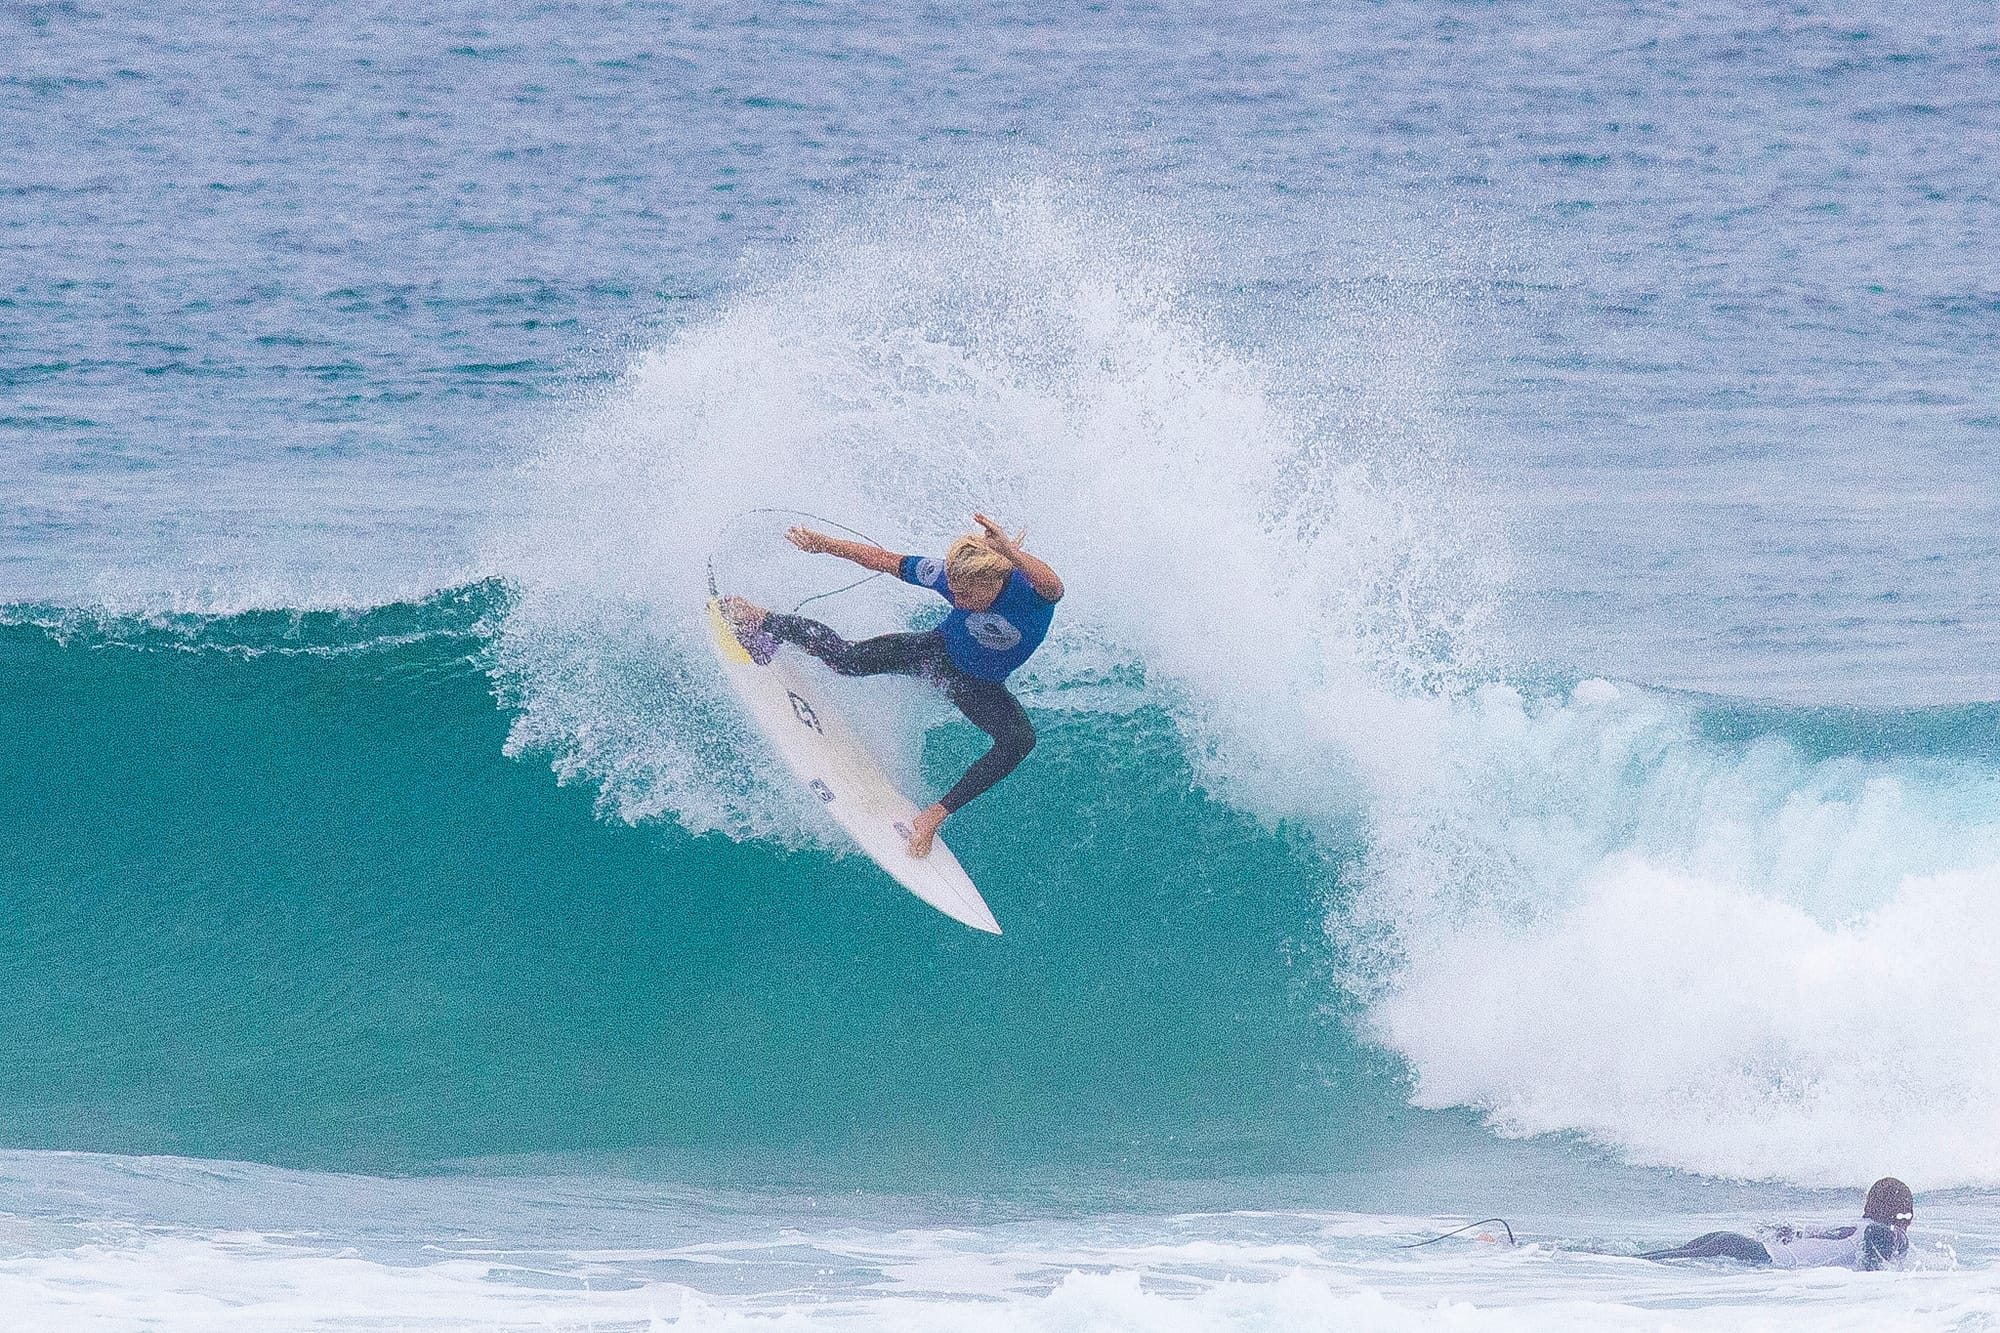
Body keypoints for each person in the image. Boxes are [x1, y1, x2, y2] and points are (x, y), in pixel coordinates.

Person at [719, 512, 1063, 858]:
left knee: (1019, 741)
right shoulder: (950, 575)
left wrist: (1010, 551)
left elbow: (1055, 585)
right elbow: (884, 560)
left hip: (977, 685)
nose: (956, 600)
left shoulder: (1032, 595)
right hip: (936, 653)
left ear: (992, 582)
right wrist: (823, 544)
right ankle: (760, 619)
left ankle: (933, 816)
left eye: (966, 594)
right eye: (953, 591)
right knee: (847, 660)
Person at [1639, 1177, 1914, 1271]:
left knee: (1642, 1261)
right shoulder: (1883, 1232)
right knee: (1648, 1262)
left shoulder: (1853, 1226)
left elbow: (1797, 1234)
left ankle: (1600, 1259)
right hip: (1759, 1254)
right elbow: (1871, 1276)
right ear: (1901, 1215)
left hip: (1737, 1241)